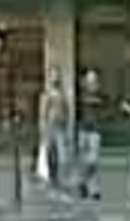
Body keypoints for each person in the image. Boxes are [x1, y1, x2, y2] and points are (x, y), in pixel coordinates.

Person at [38, 67, 70, 189]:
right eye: (53, 75)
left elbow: (66, 110)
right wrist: (43, 128)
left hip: (60, 127)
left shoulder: (62, 94)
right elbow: (43, 112)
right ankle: (51, 176)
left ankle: (57, 177)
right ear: (50, 78)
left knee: (60, 154)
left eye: (57, 75)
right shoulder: (46, 94)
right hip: (50, 127)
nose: (55, 78)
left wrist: (66, 125)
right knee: (50, 153)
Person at [76, 69, 105, 199]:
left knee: (93, 160)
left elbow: (109, 106)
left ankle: (84, 182)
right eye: (89, 80)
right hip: (83, 130)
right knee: (84, 160)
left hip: (95, 131)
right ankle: (92, 189)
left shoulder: (100, 95)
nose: (92, 83)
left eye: (94, 80)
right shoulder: (81, 95)